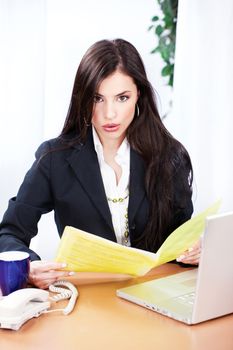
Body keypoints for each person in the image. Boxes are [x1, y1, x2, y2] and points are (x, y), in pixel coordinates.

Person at [0, 38, 200, 289]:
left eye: (122, 98)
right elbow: (9, 233)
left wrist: (195, 251)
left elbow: (182, 240)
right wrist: (28, 266)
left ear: (139, 94)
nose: (110, 114)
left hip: (154, 297)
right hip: (88, 300)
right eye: (98, 98)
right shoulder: (55, 158)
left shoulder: (170, 156)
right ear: (83, 98)